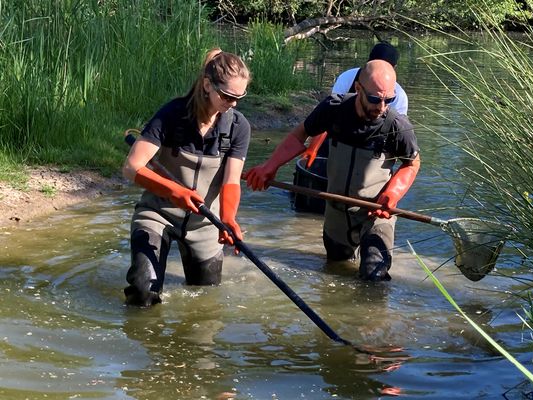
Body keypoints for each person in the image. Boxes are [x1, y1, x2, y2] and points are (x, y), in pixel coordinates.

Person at [244, 59, 420, 281]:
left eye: (389, 99)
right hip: (336, 213)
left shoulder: (396, 125)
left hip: (375, 213)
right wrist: (269, 167)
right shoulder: (334, 109)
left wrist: (393, 193)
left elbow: (412, 164)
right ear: (358, 89)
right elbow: (299, 137)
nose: (382, 107)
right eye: (375, 99)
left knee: (374, 274)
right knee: (335, 275)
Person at [122, 48, 251, 306]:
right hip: (157, 213)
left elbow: (232, 181)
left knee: (203, 302)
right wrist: (173, 191)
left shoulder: (239, 127)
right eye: (227, 96)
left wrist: (227, 220)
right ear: (207, 85)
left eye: (240, 97)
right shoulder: (171, 114)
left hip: (205, 224)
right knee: (142, 291)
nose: (233, 104)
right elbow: (132, 167)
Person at [303, 41, 408, 166]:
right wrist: (312, 149)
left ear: (393, 69)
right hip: (339, 136)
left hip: (373, 147)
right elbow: (327, 118)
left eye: (387, 100)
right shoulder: (347, 78)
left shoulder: (400, 96)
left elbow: (396, 137)